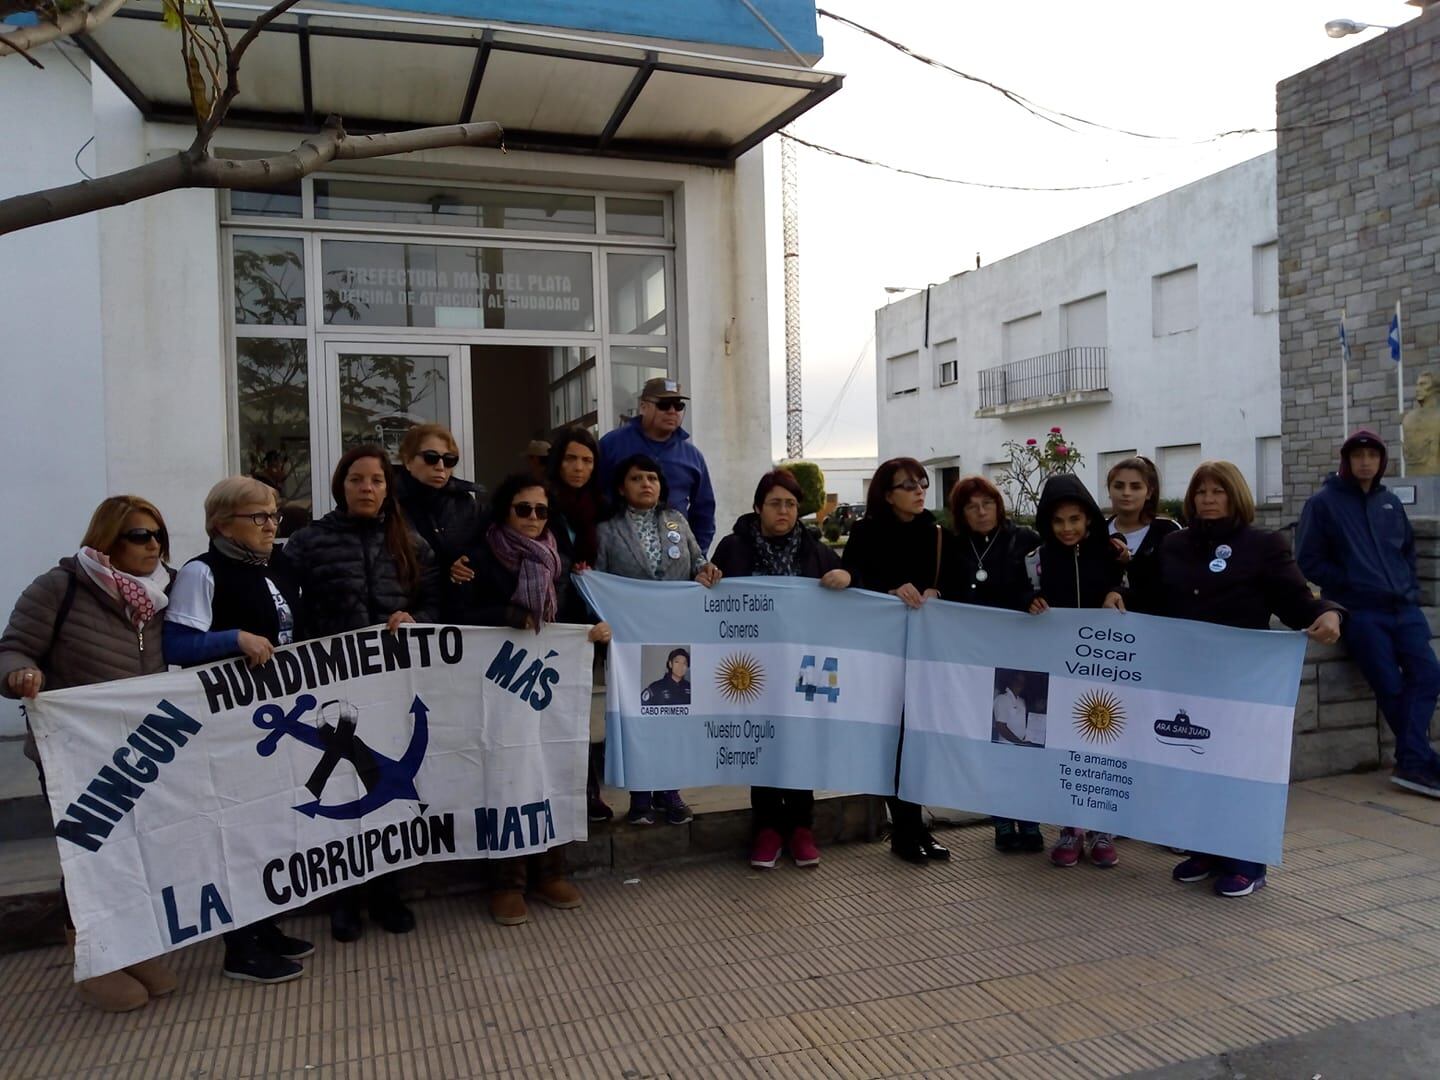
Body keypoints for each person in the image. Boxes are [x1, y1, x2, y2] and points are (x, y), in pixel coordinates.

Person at [1111, 460, 1342, 897]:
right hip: (1187, 677)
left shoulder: (1263, 545)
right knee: (1194, 764)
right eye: (1201, 492)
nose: (1208, 500)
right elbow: (1153, 600)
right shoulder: (1175, 545)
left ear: (1235, 495)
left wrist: (1329, 612)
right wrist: (1119, 596)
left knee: (1237, 768)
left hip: (1240, 683)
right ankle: (1207, 850)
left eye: (1218, 491)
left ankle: (1247, 861)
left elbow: (1295, 600)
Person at [0, 496, 179, 1012]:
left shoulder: (162, 596)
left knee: (135, 851)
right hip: (74, 752)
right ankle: (93, 955)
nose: (153, 546)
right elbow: (13, 647)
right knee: (88, 854)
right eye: (139, 536)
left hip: (142, 750)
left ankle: (131, 946)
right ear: (107, 540)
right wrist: (19, 675)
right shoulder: (61, 587)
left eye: (158, 535)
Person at [276, 445, 440, 942]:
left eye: (376, 481)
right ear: (340, 486)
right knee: (341, 788)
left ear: (388, 488)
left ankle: (388, 892)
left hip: (392, 687)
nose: (366, 488)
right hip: (331, 688)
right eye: (356, 480)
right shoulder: (308, 543)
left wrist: (417, 619)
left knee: (384, 788)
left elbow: (436, 601)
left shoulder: (411, 541)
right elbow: (286, 608)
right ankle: (342, 901)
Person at [162, 477, 313, 984]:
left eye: (274, 516)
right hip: (231, 727)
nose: (272, 525)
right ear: (221, 524)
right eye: (259, 517)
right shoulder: (200, 574)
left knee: (270, 827)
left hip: (279, 718)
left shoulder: (280, 566)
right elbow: (178, 646)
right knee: (239, 831)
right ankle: (239, 947)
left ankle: (266, 925)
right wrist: (234, 638)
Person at [453, 473, 609, 927]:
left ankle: (551, 870)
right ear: (506, 510)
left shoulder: (557, 558)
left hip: (547, 687)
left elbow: (570, 614)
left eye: (542, 511)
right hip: (496, 689)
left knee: (553, 768)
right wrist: (506, 616)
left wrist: (592, 631)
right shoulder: (479, 557)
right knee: (506, 776)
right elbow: (458, 614)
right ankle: (506, 880)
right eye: (524, 509)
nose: (534, 519)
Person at [711, 469, 853, 869]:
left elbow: (849, 590)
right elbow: (709, 594)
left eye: (791, 504)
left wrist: (846, 575)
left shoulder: (814, 548)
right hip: (751, 668)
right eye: (775, 503)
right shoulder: (734, 548)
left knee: (800, 740)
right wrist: (708, 577)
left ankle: (801, 826)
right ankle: (768, 827)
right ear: (758, 508)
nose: (784, 511)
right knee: (762, 742)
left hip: (804, 668)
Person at [1296, 431, 1440, 798]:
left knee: (1428, 675)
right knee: (1389, 684)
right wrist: (1350, 585)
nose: (1365, 462)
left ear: (1381, 461)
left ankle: (1413, 758)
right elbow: (1309, 560)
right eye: (1358, 455)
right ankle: (1417, 762)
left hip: (1403, 609)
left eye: (1372, 456)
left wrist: (1410, 588)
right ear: (1346, 460)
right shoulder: (1324, 504)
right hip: (1359, 611)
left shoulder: (1390, 502)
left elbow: (1407, 550)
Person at [594, 453, 722, 826]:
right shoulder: (607, 530)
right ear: (622, 487)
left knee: (673, 713)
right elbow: (598, 582)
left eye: (652, 477)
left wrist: (707, 571)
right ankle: (640, 797)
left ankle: (670, 791)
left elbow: (698, 562)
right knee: (636, 717)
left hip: (672, 637)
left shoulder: (675, 522)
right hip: (630, 641)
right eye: (637, 478)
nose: (646, 484)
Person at [841, 457, 950, 865]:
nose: (920, 490)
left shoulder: (935, 531)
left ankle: (917, 826)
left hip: (925, 653)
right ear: (887, 494)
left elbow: (951, 579)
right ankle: (904, 830)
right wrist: (887, 591)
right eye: (908, 485)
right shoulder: (866, 532)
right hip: (882, 652)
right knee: (894, 739)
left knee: (919, 738)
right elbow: (852, 580)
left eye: (922, 482)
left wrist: (938, 590)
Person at [938, 476, 1045, 854]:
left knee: (1027, 739)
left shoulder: (1027, 540)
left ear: (999, 506)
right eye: (971, 506)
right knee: (992, 741)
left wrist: (1032, 599)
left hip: (1022, 659)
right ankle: (1001, 820)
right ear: (961, 514)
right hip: (976, 659)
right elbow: (945, 591)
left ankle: (1030, 821)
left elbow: (1044, 585)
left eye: (987, 503)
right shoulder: (951, 548)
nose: (981, 512)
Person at [1026, 473, 1125, 870]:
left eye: (1075, 520)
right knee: (1065, 748)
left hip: (1105, 672)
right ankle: (1069, 828)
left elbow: (1134, 589)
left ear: (1088, 519)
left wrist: (1122, 593)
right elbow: (1020, 596)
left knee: (1103, 747)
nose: (1067, 529)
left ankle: (1102, 830)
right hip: (1058, 673)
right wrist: (1028, 600)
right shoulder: (1037, 560)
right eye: (1058, 521)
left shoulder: (1110, 553)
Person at [547, 426, 612, 822]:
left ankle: (589, 792)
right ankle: (557, 792)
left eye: (587, 460)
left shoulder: (602, 507)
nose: (578, 467)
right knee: (554, 708)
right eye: (571, 458)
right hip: (553, 620)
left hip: (591, 623)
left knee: (581, 708)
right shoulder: (540, 502)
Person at [597, 378, 717, 551]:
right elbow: (594, 495)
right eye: (664, 404)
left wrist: (696, 555)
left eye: (678, 406)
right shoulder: (612, 444)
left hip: (676, 557)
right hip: (619, 556)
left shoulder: (693, 456)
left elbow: (704, 511)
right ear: (643, 407)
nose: (672, 411)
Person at [395, 424, 484, 612]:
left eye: (450, 460)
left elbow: (485, 547)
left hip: (459, 613)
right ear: (407, 460)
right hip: (406, 614)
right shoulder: (388, 503)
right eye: (431, 458)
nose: (440, 466)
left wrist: (468, 562)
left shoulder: (466, 504)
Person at [1105, 455, 1181, 614]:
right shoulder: (1096, 532)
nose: (1126, 493)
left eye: (1135, 487)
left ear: (1149, 492)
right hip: (1104, 630)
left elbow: (1173, 587)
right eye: (1118, 486)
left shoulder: (1168, 531)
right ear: (1109, 491)